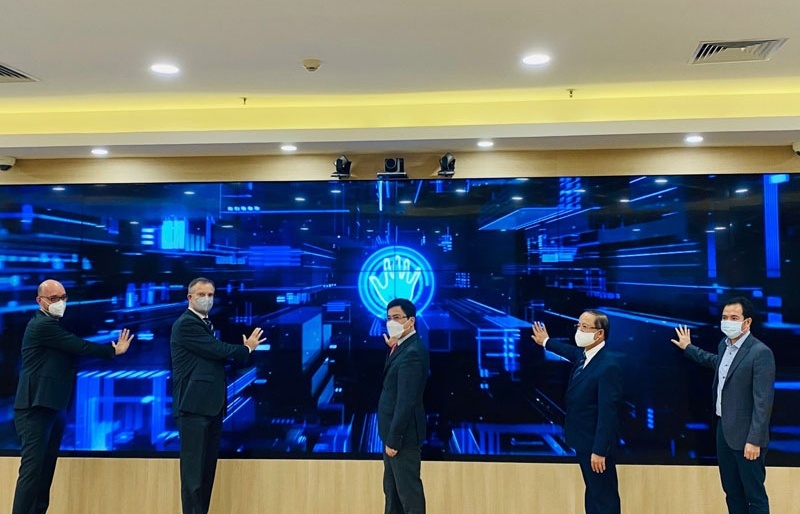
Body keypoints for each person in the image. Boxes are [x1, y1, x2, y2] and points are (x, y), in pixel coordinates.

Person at [12, 279, 134, 514]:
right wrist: (113, 350)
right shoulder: (42, 326)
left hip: (53, 406)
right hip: (35, 408)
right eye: (54, 298)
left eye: (63, 297)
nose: (60, 302)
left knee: (45, 472)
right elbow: (79, 346)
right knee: (32, 472)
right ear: (40, 301)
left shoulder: (52, 325)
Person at [671, 296, 775, 514]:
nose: (728, 322)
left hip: (747, 437)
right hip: (723, 431)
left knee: (754, 496)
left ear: (747, 322)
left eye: (734, 318)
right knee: (732, 492)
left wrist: (754, 440)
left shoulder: (760, 353)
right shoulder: (724, 345)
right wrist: (688, 347)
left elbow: (763, 402)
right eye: (724, 317)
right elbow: (714, 362)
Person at [170, 277, 265, 514]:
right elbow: (217, 350)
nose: (207, 299)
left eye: (211, 295)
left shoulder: (205, 325)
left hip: (210, 408)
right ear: (189, 297)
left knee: (205, 475)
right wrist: (246, 348)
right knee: (194, 477)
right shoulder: (187, 324)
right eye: (201, 295)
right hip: (193, 408)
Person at [532, 310, 622, 514]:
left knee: (604, 498)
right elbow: (569, 351)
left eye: (584, 327)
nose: (579, 330)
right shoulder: (586, 355)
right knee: (593, 493)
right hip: (583, 441)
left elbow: (608, 413)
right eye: (578, 325)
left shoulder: (608, 366)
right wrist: (546, 341)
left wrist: (599, 451)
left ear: (599, 333)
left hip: (595, 446)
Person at [378, 298, 430, 514]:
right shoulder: (402, 346)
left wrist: (394, 439)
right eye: (389, 318)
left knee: (409, 496)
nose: (392, 322)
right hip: (392, 434)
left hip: (402, 438)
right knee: (392, 493)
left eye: (397, 317)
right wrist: (393, 347)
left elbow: (406, 401)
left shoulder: (413, 353)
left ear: (411, 321)